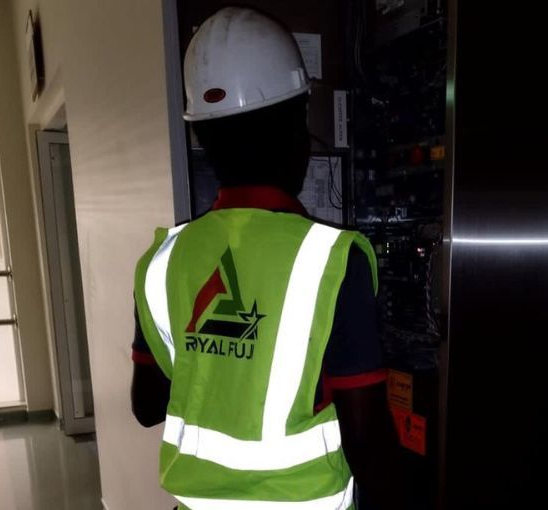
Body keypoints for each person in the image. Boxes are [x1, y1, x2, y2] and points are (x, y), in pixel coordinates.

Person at [131, 7, 403, 510]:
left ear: (203, 138)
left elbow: (146, 406)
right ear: (297, 129)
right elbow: (367, 443)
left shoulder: (162, 261)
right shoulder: (332, 261)